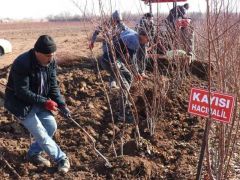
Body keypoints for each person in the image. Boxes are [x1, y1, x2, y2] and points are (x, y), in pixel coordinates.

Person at [4, 35, 71, 173]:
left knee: (51, 126)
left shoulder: (50, 62)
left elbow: (53, 86)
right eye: (47, 55)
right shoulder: (22, 63)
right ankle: (61, 159)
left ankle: (33, 154)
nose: (50, 58)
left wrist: (62, 104)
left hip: (38, 102)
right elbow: (22, 91)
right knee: (41, 134)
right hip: (20, 104)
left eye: (52, 55)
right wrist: (45, 102)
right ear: (37, 52)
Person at [114, 28, 149, 122]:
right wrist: (137, 73)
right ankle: (122, 115)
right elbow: (133, 60)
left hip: (117, 60)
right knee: (125, 86)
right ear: (143, 36)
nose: (147, 42)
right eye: (147, 39)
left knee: (128, 77)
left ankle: (123, 103)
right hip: (113, 61)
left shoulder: (133, 34)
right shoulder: (135, 41)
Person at [89, 10, 129, 89]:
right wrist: (92, 42)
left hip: (116, 46)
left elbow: (127, 31)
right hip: (107, 46)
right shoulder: (105, 24)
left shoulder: (121, 24)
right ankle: (113, 83)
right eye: (115, 20)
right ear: (112, 19)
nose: (117, 22)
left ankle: (113, 83)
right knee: (111, 63)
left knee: (115, 64)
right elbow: (95, 33)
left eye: (118, 21)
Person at [135, 12, 154, 78]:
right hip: (143, 41)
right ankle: (142, 72)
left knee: (138, 56)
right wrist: (149, 38)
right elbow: (149, 33)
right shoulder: (145, 22)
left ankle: (137, 71)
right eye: (151, 18)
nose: (152, 20)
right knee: (143, 57)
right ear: (148, 17)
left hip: (138, 41)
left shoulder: (140, 21)